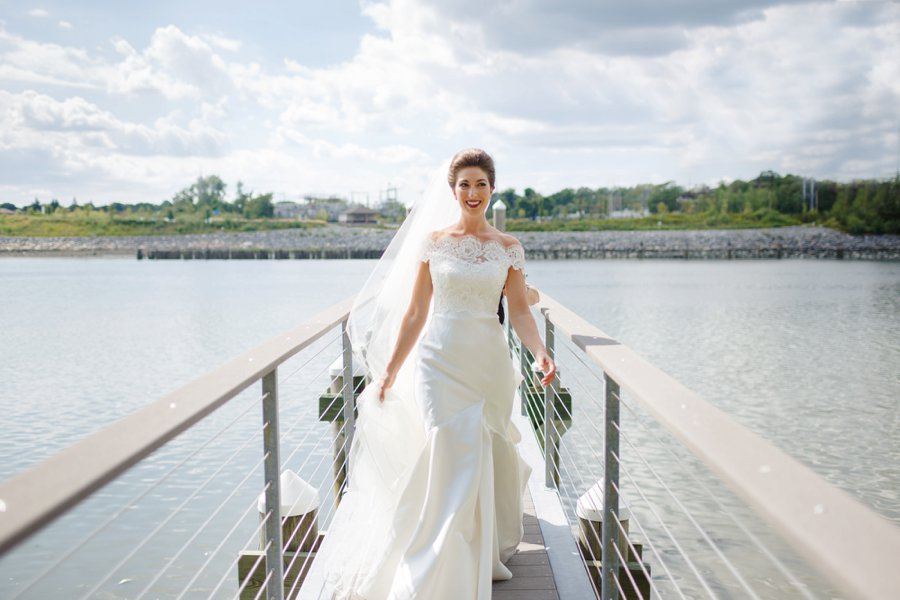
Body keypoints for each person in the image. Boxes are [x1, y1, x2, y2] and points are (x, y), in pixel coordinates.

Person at [299, 149, 555, 600]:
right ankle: (436, 564)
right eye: (464, 185)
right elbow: (416, 311)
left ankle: (476, 549)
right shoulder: (434, 242)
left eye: (480, 184)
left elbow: (518, 310)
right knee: (449, 448)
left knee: (480, 450)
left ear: (493, 188)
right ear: (452, 190)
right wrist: (391, 371)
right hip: (439, 360)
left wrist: (540, 352)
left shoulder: (508, 247)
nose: (472, 193)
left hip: (489, 363)